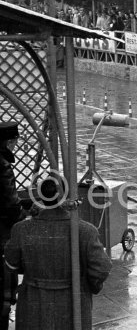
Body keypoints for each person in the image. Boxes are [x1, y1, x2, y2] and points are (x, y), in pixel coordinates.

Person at [4, 176, 112, 330]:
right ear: (67, 197)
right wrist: (90, 286)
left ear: (41, 196)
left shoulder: (21, 230)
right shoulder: (85, 231)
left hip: (33, 304)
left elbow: (11, 264)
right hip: (72, 303)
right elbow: (102, 268)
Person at [0, 122, 26, 330]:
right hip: (2, 233)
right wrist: (25, 214)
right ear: (9, 142)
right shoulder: (3, 165)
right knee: (6, 274)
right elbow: (11, 206)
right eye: (16, 141)